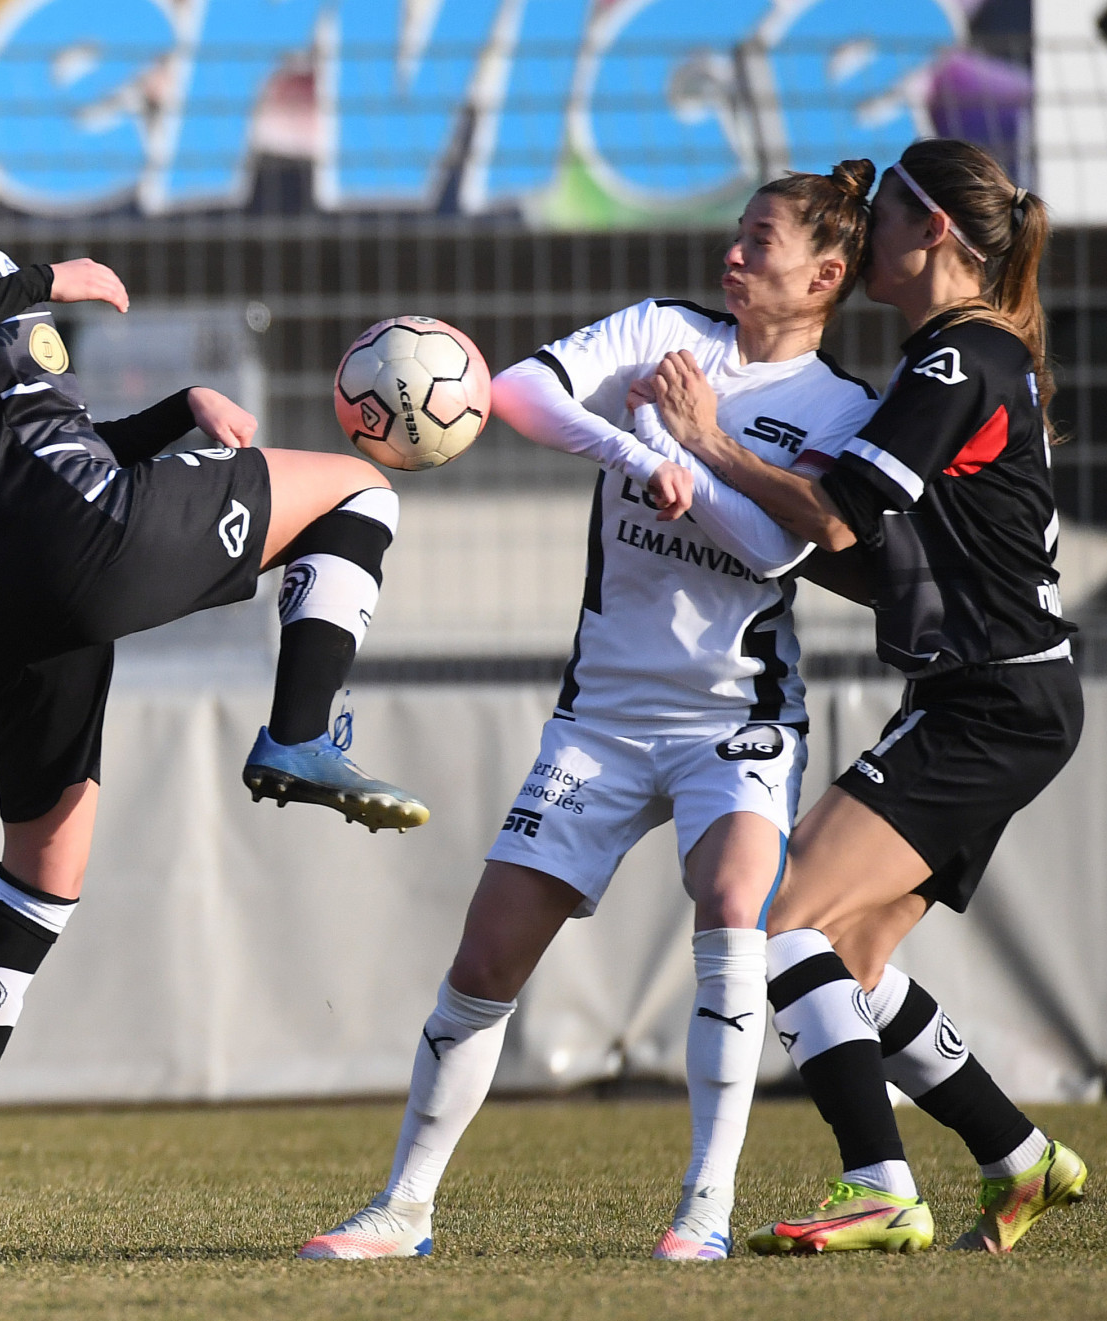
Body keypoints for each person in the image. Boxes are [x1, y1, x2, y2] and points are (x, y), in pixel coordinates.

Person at [0, 47, 427, 1262]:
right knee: (360, 490)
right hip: (56, 539)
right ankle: (301, 728)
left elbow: (22, 429)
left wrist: (174, 413)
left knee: (45, 865)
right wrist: (53, 276)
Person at [297, 164, 883, 1262]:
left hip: (735, 719)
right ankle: (404, 1206)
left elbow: (777, 547)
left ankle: (702, 1209)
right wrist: (630, 442)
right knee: (487, 958)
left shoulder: (843, 409)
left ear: (826, 275)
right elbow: (518, 389)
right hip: (601, 721)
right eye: (739, 235)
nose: (737, 254)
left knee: (733, 904)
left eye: (763, 241)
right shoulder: (663, 329)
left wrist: (701, 446)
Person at [644, 139, 1086, 1256]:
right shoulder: (971, 357)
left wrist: (708, 447)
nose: (865, 235)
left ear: (932, 230)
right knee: (855, 963)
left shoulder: (954, 362)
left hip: (987, 701)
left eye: (884, 215)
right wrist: (752, 531)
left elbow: (840, 517)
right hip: (1005, 699)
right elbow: (877, 554)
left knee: (782, 915)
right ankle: (1019, 1156)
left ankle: (880, 1182)